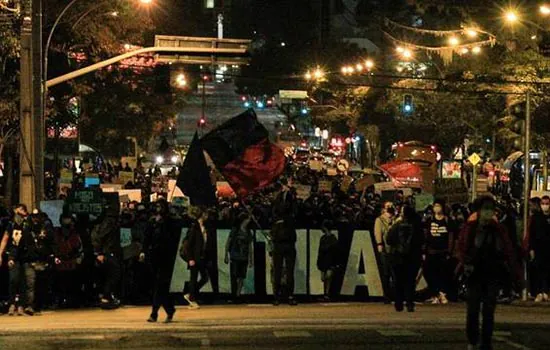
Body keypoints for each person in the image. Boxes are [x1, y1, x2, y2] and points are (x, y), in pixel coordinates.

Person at [458, 196, 521, 350]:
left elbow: (508, 251)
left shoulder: (499, 229)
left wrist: (516, 275)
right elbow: (462, 248)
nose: (489, 212)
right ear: (479, 211)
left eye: (491, 209)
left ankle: (486, 342)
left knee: (488, 311)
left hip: (492, 273)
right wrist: (465, 264)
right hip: (475, 274)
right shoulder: (470, 228)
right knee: (473, 309)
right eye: (485, 209)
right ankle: (473, 339)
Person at [140, 199, 182, 323]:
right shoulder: (152, 222)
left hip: (166, 257)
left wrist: (163, 224)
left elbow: (172, 238)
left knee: (160, 284)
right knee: (158, 286)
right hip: (154, 257)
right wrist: (143, 251)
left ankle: (154, 313)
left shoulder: (170, 222)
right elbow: (147, 238)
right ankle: (169, 308)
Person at [386, 205, 424, 312]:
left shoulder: (397, 225)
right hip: (413, 257)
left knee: (398, 281)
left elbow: (389, 239)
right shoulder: (417, 225)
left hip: (397, 256)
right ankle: (410, 303)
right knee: (410, 281)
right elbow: (422, 240)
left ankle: (399, 303)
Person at [271, 179, 298, 306]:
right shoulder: (278, 202)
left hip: (288, 241)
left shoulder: (291, 199)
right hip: (280, 241)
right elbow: (279, 209)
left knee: (289, 271)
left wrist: (290, 194)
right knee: (278, 270)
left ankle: (289, 295)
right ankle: (277, 296)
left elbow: (293, 209)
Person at [423, 199, 454, 304]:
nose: (437, 208)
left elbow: (451, 236)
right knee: (431, 273)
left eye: (438, 206)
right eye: (435, 206)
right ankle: (434, 294)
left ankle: (442, 293)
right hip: (432, 252)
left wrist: (449, 251)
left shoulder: (447, 220)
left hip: (443, 251)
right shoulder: (430, 220)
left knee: (443, 274)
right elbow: (426, 235)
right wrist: (425, 250)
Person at [5, 204, 33, 316]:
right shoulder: (11, 224)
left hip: (25, 256)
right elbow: (5, 238)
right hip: (13, 256)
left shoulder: (28, 224)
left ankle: (21, 305)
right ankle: (12, 304)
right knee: (13, 280)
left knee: (24, 282)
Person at [91, 205, 122, 309]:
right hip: (107, 252)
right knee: (113, 274)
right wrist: (99, 253)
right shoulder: (108, 222)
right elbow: (100, 237)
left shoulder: (101, 223)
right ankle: (106, 297)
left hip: (106, 252)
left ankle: (106, 296)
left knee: (108, 275)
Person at [184, 206, 213, 309]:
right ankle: (192, 298)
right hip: (195, 257)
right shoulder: (194, 228)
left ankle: (191, 295)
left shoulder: (203, 227)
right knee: (194, 278)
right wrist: (190, 258)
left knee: (203, 277)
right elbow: (188, 245)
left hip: (201, 256)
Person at [224, 212, 254, 302]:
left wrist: (250, 259)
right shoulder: (235, 230)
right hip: (235, 255)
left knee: (241, 276)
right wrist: (226, 254)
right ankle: (234, 294)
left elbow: (250, 246)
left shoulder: (248, 232)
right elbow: (228, 242)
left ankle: (238, 295)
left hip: (243, 256)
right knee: (235, 276)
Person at [528, 195, 550, 302]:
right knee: (538, 270)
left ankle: (545, 291)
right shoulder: (537, 218)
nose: (545, 206)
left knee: (546, 270)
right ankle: (538, 292)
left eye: (547, 203)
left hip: (547, 249)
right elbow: (532, 234)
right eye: (543, 204)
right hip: (538, 248)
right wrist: (531, 248)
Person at [374, 202, 395, 304]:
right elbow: (378, 232)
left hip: (395, 250)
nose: (390, 208)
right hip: (386, 249)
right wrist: (379, 244)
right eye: (388, 206)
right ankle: (387, 295)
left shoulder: (396, 219)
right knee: (386, 273)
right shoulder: (380, 220)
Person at [317, 221, 339, 301]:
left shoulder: (332, 239)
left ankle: (327, 294)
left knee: (328, 277)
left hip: (330, 261)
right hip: (324, 261)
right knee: (324, 278)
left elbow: (335, 251)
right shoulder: (324, 238)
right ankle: (325, 294)